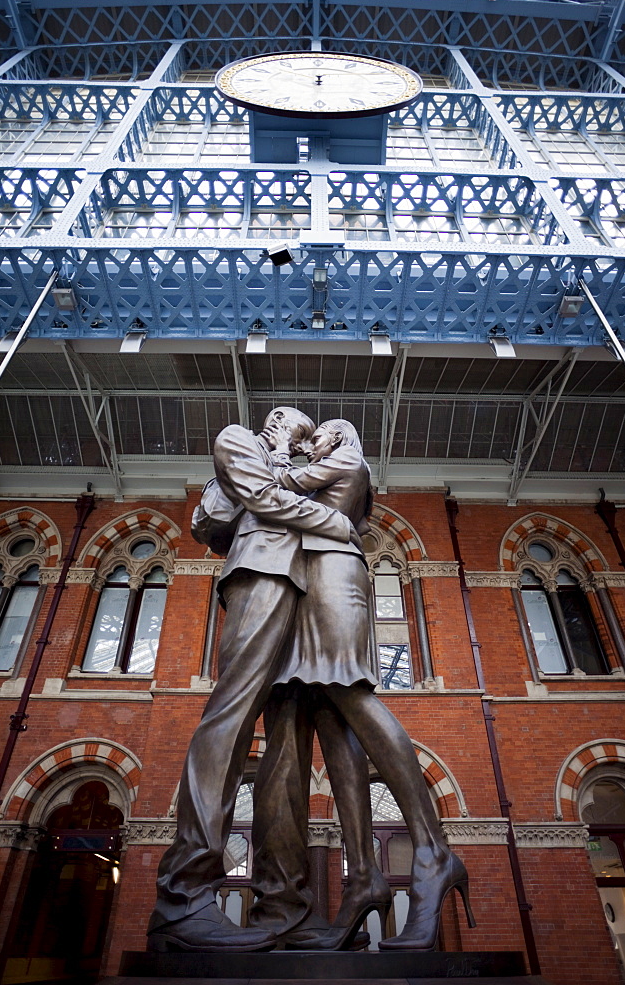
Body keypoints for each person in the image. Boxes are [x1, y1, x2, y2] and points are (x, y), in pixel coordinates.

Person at [147, 407, 377, 953]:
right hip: (261, 576)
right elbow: (232, 514)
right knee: (230, 717)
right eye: (293, 430)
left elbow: (314, 495)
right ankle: (183, 897)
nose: (296, 440)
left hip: (307, 592)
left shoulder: (298, 466)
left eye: (301, 436)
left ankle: (285, 907)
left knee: (289, 751)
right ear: (274, 422)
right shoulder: (238, 440)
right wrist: (333, 521)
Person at [250, 419, 475, 951]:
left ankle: (432, 851)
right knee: (331, 713)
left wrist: (282, 447)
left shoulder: (348, 461)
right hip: (311, 578)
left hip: (334, 575)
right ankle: (364, 876)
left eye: (324, 431)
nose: (316, 439)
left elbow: (275, 489)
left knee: (350, 692)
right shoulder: (330, 467)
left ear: (342, 438)